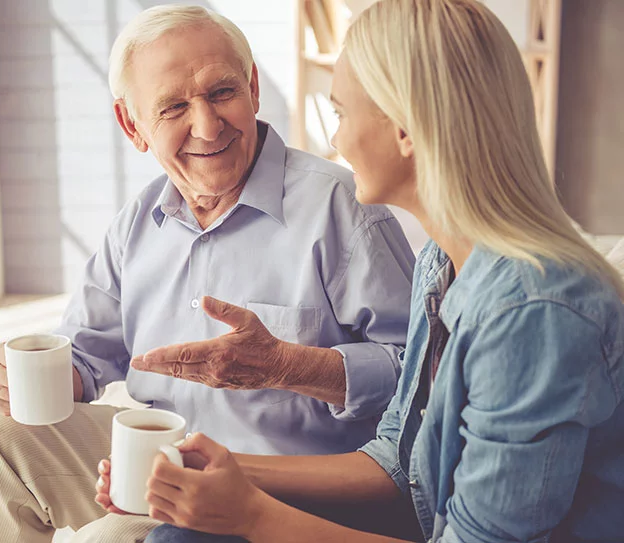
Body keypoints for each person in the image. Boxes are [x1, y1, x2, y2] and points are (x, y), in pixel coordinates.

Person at [94, 0, 624, 541]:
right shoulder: (443, 266)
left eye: (342, 114)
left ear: (404, 130)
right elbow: (400, 460)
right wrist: (212, 469)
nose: (334, 141)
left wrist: (251, 513)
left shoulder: (531, 312)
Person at [0, 5, 416, 542]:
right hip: (153, 462)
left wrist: (287, 366)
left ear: (253, 87)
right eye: (172, 107)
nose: (208, 125)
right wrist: (24, 377)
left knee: (106, 540)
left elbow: (421, 378)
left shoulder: (345, 208)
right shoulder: (138, 223)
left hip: (284, 491)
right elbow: (84, 354)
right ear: (133, 125)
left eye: (221, 93)